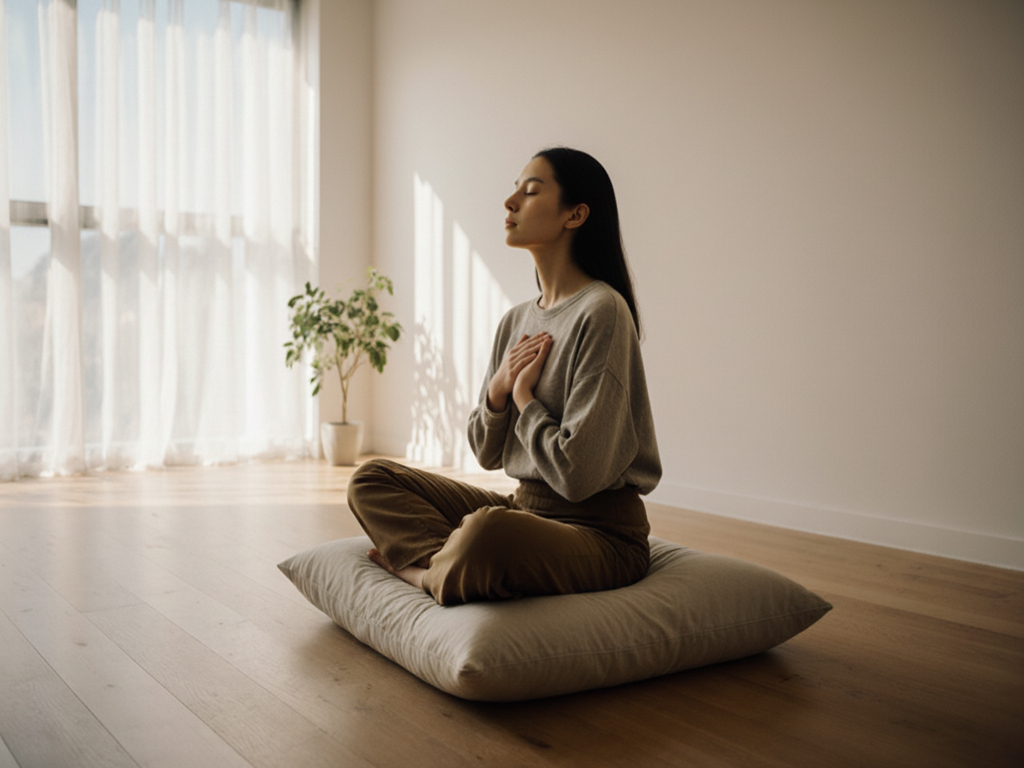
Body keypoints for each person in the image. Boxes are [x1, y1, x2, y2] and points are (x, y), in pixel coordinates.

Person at [347, 147, 661, 605]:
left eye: (530, 191)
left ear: (575, 215)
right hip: (524, 511)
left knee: (487, 529)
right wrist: (496, 396)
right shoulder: (516, 321)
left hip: (600, 535)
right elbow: (486, 453)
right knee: (370, 479)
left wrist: (525, 399)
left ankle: (425, 575)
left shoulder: (602, 310)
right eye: (515, 189)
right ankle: (451, 566)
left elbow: (579, 475)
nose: (510, 202)